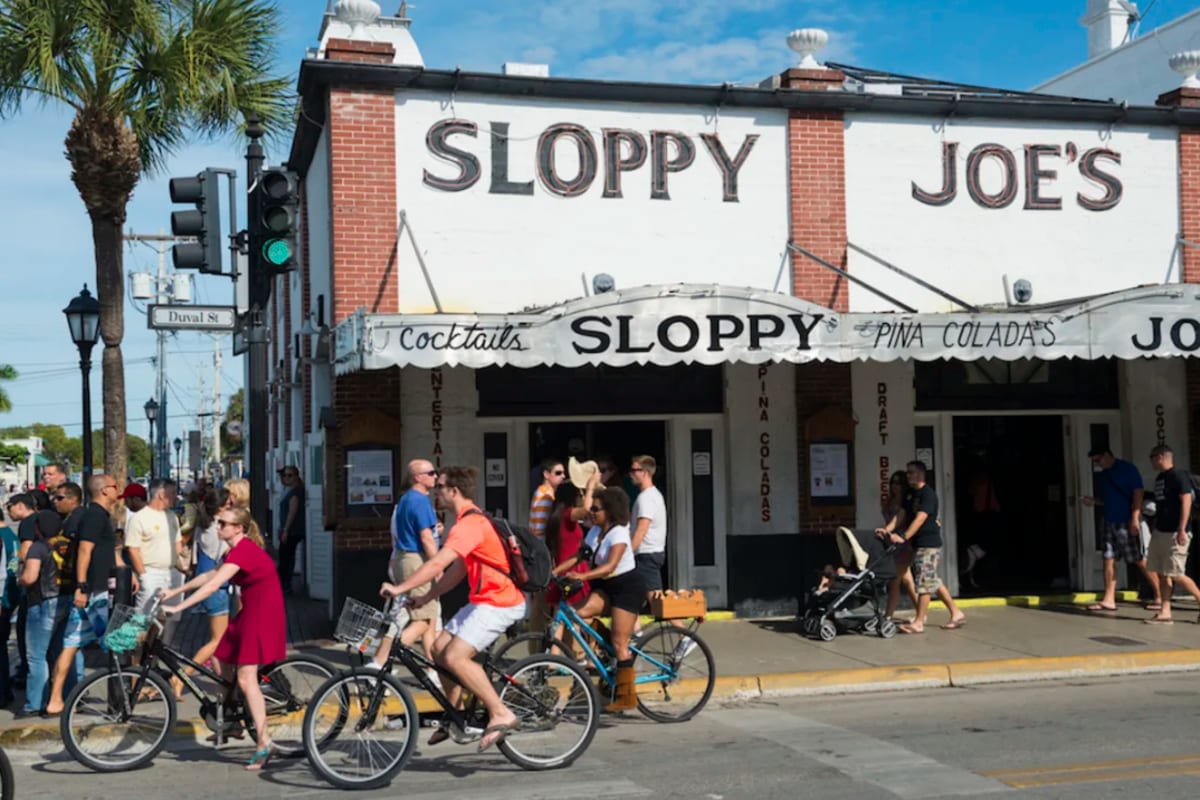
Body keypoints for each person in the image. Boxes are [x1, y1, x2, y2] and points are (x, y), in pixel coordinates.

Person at [380, 466, 526, 752]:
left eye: (441, 487)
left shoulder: (469, 524)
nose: (437, 492)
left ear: (454, 491)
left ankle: (500, 712)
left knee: (456, 657)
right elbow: (458, 570)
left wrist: (399, 588)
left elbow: (436, 564)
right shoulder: (468, 521)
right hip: (482, 600)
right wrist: (427, 596)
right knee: (437, 650)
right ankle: (458, 715)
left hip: (500, 602)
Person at [163, 506, 283, 769]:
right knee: (219, 659)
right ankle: (232, 722)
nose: (219, 528)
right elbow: (210, 575)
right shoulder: (233, 551)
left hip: (263, 614)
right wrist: (176, 590)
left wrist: (179, 606)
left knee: (245, 677)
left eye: (224, 524)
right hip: (250, 611)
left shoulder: (245, 550)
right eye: (219, 523)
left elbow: (213, 586)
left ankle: (264, 743)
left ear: (238, 528)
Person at [552, 486, 644, 712]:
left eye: (596, 509)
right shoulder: (594, 532)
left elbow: (610, 566)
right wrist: (553, 574)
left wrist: (582, 576)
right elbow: (577, 556)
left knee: (620, 643)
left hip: (626, 588)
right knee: (575, 613)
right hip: (604, 587)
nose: (590, 512)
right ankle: (608, 653)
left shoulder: (619, 533)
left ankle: (626, 696)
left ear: (610, 511)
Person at [44, 474, 127, 716]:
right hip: (95, 593)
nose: (117, 490)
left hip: (98, 590)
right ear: (103, 491)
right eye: (114, 486)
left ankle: (56, 698)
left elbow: (109, 550)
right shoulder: (93, 516)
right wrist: (82, 586)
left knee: (72, 644)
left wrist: (124, 571)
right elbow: (84, 550)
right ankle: (125, 692)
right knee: (118, 641)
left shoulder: (101, 516)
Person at [877, 461, 966, 634]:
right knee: (932, 579)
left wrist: (903, 537)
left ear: (921, 473)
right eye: (908, 472)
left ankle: (919, 621)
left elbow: (920, 518)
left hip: (928, 543)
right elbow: (902, 514)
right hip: (916, 543)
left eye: (911, 472)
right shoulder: (910, 494)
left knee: (924, 582)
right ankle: (956, 613)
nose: (908, 475)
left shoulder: (928, 495)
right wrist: (887, 530)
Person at [371, 459, 442, 672]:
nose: (435, 476)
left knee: (428, 619)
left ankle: (433, 671)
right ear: (417, 477)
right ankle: (381, 663)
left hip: (404, 559)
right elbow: (426, 538)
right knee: (422, 619)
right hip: (417, 560)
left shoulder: (405, 500)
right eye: (430, 473)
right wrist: (438, 566)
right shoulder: (420, 501)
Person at [169, 487, 232, 700]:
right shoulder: (220, 529)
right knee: (217, 640)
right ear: (222, 506)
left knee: (218, 639)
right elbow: (223, 557)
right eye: (229, 503)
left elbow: (195, 559)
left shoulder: (202, 526)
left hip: (203, 584)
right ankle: (182, 676)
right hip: (217, 587)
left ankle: (221, 680)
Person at [1082, 447, 1160, 612]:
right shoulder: (1103, 475)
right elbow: (1108, 499)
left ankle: (1160, 595)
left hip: (1127, 520)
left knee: (1139, 558)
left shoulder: (1127, 469)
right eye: (1094, 462)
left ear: (1107, 455)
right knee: (1108, 559)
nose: (1098, 465)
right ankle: (1109, 599)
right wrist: (1094, 501)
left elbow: (1138, 493)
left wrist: (1134, 517)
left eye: (1098, 460)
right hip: (1109, 521)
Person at [1144, 444, 1200, 624]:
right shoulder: (1160, 478)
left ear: (1160, 457)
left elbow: (1186, 501)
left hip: (1176, 532)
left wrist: (1182, 529)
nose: (1151, 461)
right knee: (1164, 573)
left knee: (1176, 573)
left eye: (1152, 457)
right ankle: (1165, 611)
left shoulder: (1178, 476)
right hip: (1161, 531)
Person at [18, 510, 64, 717]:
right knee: (62, 651)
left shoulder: (38, 547)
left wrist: (20, 578)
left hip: (42, 602)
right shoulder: (66, 545)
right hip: (65, 599)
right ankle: (68, 695)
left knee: (36, 656)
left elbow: (30, 577)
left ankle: (34, 703)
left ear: (38, 528)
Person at [125, 479, 181, 612]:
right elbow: (132, 549)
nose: (176, 497)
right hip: (151, 572)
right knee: (144, 618)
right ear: (161, 495)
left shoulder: (172, 516)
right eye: (172, 493)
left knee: (169, 616)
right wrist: (144, 576)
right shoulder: (139, 518)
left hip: (173, 572)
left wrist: (182, 567)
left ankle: (165, 634)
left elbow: (177, 543)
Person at [881, 470, 919, 620]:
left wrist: (885, 530)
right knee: (907, 579)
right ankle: (921, 611)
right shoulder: (889, 501)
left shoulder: (906, 503)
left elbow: (897, 521)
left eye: (898, 483)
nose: (895, 486)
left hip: (903, 543)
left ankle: (888, 615)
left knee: (894, 580)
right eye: (893, 483)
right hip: (892, 543)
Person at [629, 455, 667, 599]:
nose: (631, 474)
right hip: (648, 554)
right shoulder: (650, 495)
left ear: (644, 472)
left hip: (646, 554)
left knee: (656, 602)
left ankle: (676, 623)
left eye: (634, 470)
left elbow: (641, 529)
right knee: (633, 599)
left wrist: (627, 552)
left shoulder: (647, 498)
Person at [276, 466, 306, 594]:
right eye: (285, 475)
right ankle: (285, 584)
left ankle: (285, 585)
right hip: (288, 529)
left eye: (290, 475)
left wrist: (286, 530)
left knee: (285, 558)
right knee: (287, 557)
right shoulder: (288, 490)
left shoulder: (295, 493)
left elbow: (292, 512)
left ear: (296, 476)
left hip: (292, 530)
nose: (286, 478)